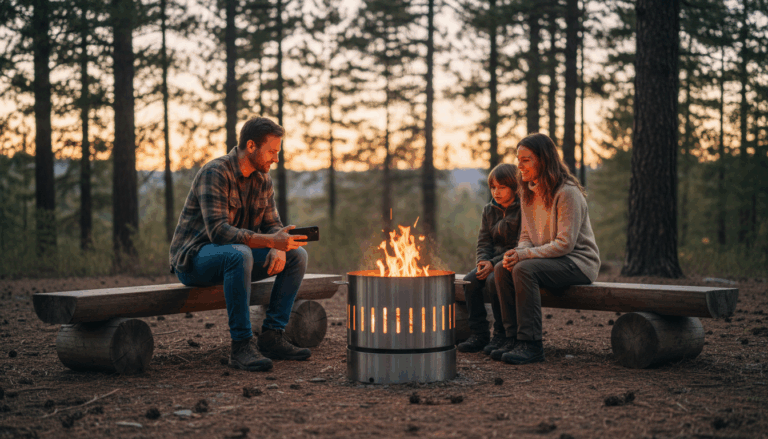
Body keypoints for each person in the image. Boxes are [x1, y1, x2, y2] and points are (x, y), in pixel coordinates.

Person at [169, 116, 311, 372]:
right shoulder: (215, 172)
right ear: (251, 146)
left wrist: (279, 245)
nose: (276, 159)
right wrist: (271, 241)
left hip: (236, 256)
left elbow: (272, 225)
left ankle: (271, 336)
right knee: (239, 254)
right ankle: (241, 345)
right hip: (195, 260)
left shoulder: (262, 180)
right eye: (272, 151)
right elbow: (219, 233)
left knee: (297, 255)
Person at [492, 133, 600, 365]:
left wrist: (525, 255)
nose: (519, 165)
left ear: (543, 159)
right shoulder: (528, 192)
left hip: (577, 263)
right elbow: (525, 236)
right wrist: (518, 253)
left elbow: (565, 244)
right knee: (502, 268)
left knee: (524, 270)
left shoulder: (567, 193)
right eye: (518, 159)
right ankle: (511, 339)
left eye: (526, 160)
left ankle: (531, 344)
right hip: (547, 261)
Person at [456, 163, 521, 355]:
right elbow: (483, 241)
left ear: (514, 186)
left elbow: (521, 244)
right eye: (493, 187)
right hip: (491, 262)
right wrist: (483, 261)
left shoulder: (524, 210)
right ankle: (479, 334)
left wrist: (494, 264)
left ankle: (501, 334)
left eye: (502, 187)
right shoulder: (489, 210)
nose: (496, 192)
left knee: (494, 281)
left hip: (513, 261)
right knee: (469, 281)